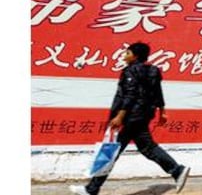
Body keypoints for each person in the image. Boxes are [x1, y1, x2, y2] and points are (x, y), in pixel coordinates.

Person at [70, 42, 190, 195]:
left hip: (130, 117)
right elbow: (157, 92)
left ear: (135, 56)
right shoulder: (153, 71)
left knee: (112, 151)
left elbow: (130, 95)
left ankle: (91, 189)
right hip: (144, 115)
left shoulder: (130, 71)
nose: (124, 55)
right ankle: (177, 170)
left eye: (127, 53)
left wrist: (120, 116)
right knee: (147, 148)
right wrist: (162, 111)